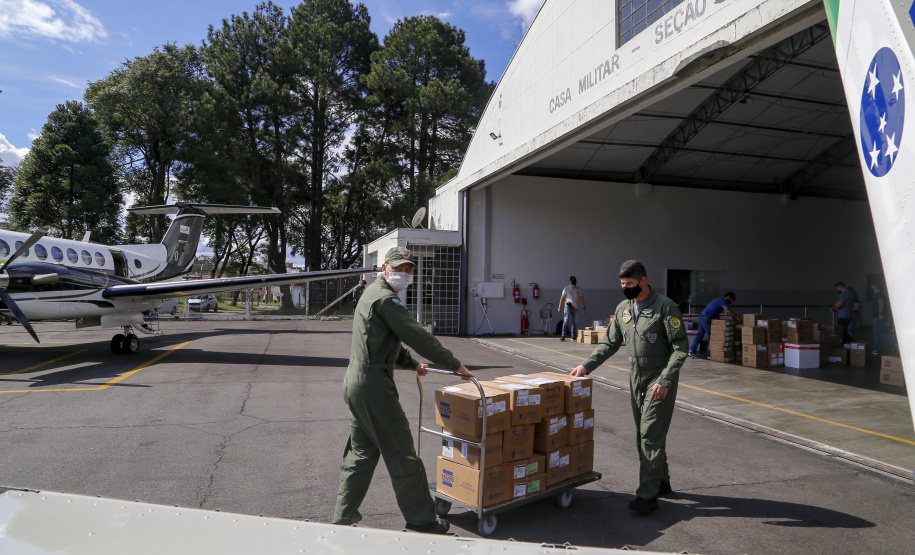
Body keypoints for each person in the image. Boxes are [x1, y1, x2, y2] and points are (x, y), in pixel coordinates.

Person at [333, 247, 474, 534]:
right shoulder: (386, 300)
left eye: (409, 269)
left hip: (357, 383)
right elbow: (417, 336)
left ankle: (343, 520)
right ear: (385, 268)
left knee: (360, 455)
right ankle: (422, 520)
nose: (405, 274)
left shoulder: (371, 294)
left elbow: (383, 341)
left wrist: (411, 364)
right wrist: (456, 364)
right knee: (402, 453)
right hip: (374, 387)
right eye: (399, 268)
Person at [570, 260, 688, 514]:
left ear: (643, 281)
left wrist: (665, 379)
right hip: (636, 379)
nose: (626, 289)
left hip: (659, 379)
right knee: (643, 434)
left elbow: (680, 348)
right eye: (623, 285)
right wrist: (585, 366)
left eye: (630, 285)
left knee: (649, 435)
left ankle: (647, 496)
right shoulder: (624, 309)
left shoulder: (665, 308)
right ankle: (662, 482)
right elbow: (609, 344)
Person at [688, 292, 742, 358]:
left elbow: (714, 311)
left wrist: (719, 322)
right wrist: (737, 317)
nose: (730, 302)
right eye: (731, 300)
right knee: (711, 336)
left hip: (701, 317)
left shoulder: (718, 300)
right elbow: (728, 310)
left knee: (700, 335)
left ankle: (691, 351)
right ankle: (710, 355)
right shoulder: (722, 301)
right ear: (728, 296)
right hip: (706, 319)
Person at [558, 276, 586, 341]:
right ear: (570, 282)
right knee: (565, 320)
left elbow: (581, 298)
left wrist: (583, 308)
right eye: (572, 284)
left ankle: (573, 336)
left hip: (575, 307)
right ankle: (563, 335)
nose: (573, 286)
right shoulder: (566, 288)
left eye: (574, 284)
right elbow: (562, 298)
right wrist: (560, 306)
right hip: (567, 306)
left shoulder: (578, 289)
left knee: (575, 322)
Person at [870, 282, 896, 355]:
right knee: (877, 333)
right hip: (879, 315)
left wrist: (880, 313)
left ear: (875, 286)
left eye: (872, 287)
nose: (871, 288)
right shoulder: (879, 294)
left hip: (878, 316)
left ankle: (892, 344)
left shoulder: (879, 294)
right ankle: (876, 349)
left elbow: (881, 302)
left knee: (877, 333)